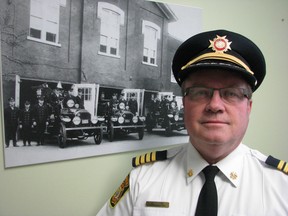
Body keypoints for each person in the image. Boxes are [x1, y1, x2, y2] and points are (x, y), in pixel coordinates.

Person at [96, 29, 288, 215]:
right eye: (200, 92)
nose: (214, 105)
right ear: (185, 104)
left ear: (249, 107)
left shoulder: (281, 187)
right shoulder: (142, 179)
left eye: (232, 93)